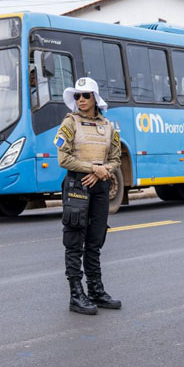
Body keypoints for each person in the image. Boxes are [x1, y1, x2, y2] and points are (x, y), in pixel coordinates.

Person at [56, 77, 122, 315]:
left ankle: (96, 290)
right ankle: (76, 295)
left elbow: (116, 158)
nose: (81, 100)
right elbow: (63, 159)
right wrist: (93, 168)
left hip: (100, 186)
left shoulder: (108, 126)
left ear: (95, 98)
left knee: (95, 240)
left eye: (86, 95)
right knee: (74, 242)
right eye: (77, 96)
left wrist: (102, 171)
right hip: (77, 186)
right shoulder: (70, 123)